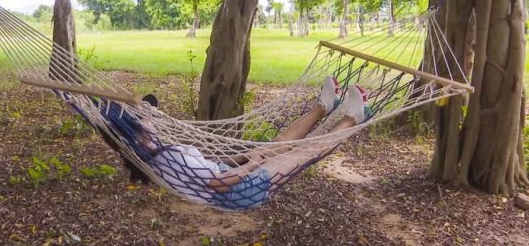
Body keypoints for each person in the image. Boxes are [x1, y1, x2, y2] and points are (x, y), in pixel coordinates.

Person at [137, 77, 370, 210]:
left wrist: (242, 157)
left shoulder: (158, 153)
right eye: (146, 120)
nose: (153, 121)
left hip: (231, 175)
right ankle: (352, 119)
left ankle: (323, 108)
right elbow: (218, 183)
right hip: (240, 191)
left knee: (276, 143)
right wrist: (253, 162)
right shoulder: (167, 158)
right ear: (139, 138)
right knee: (303, 153)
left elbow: (207, 171)